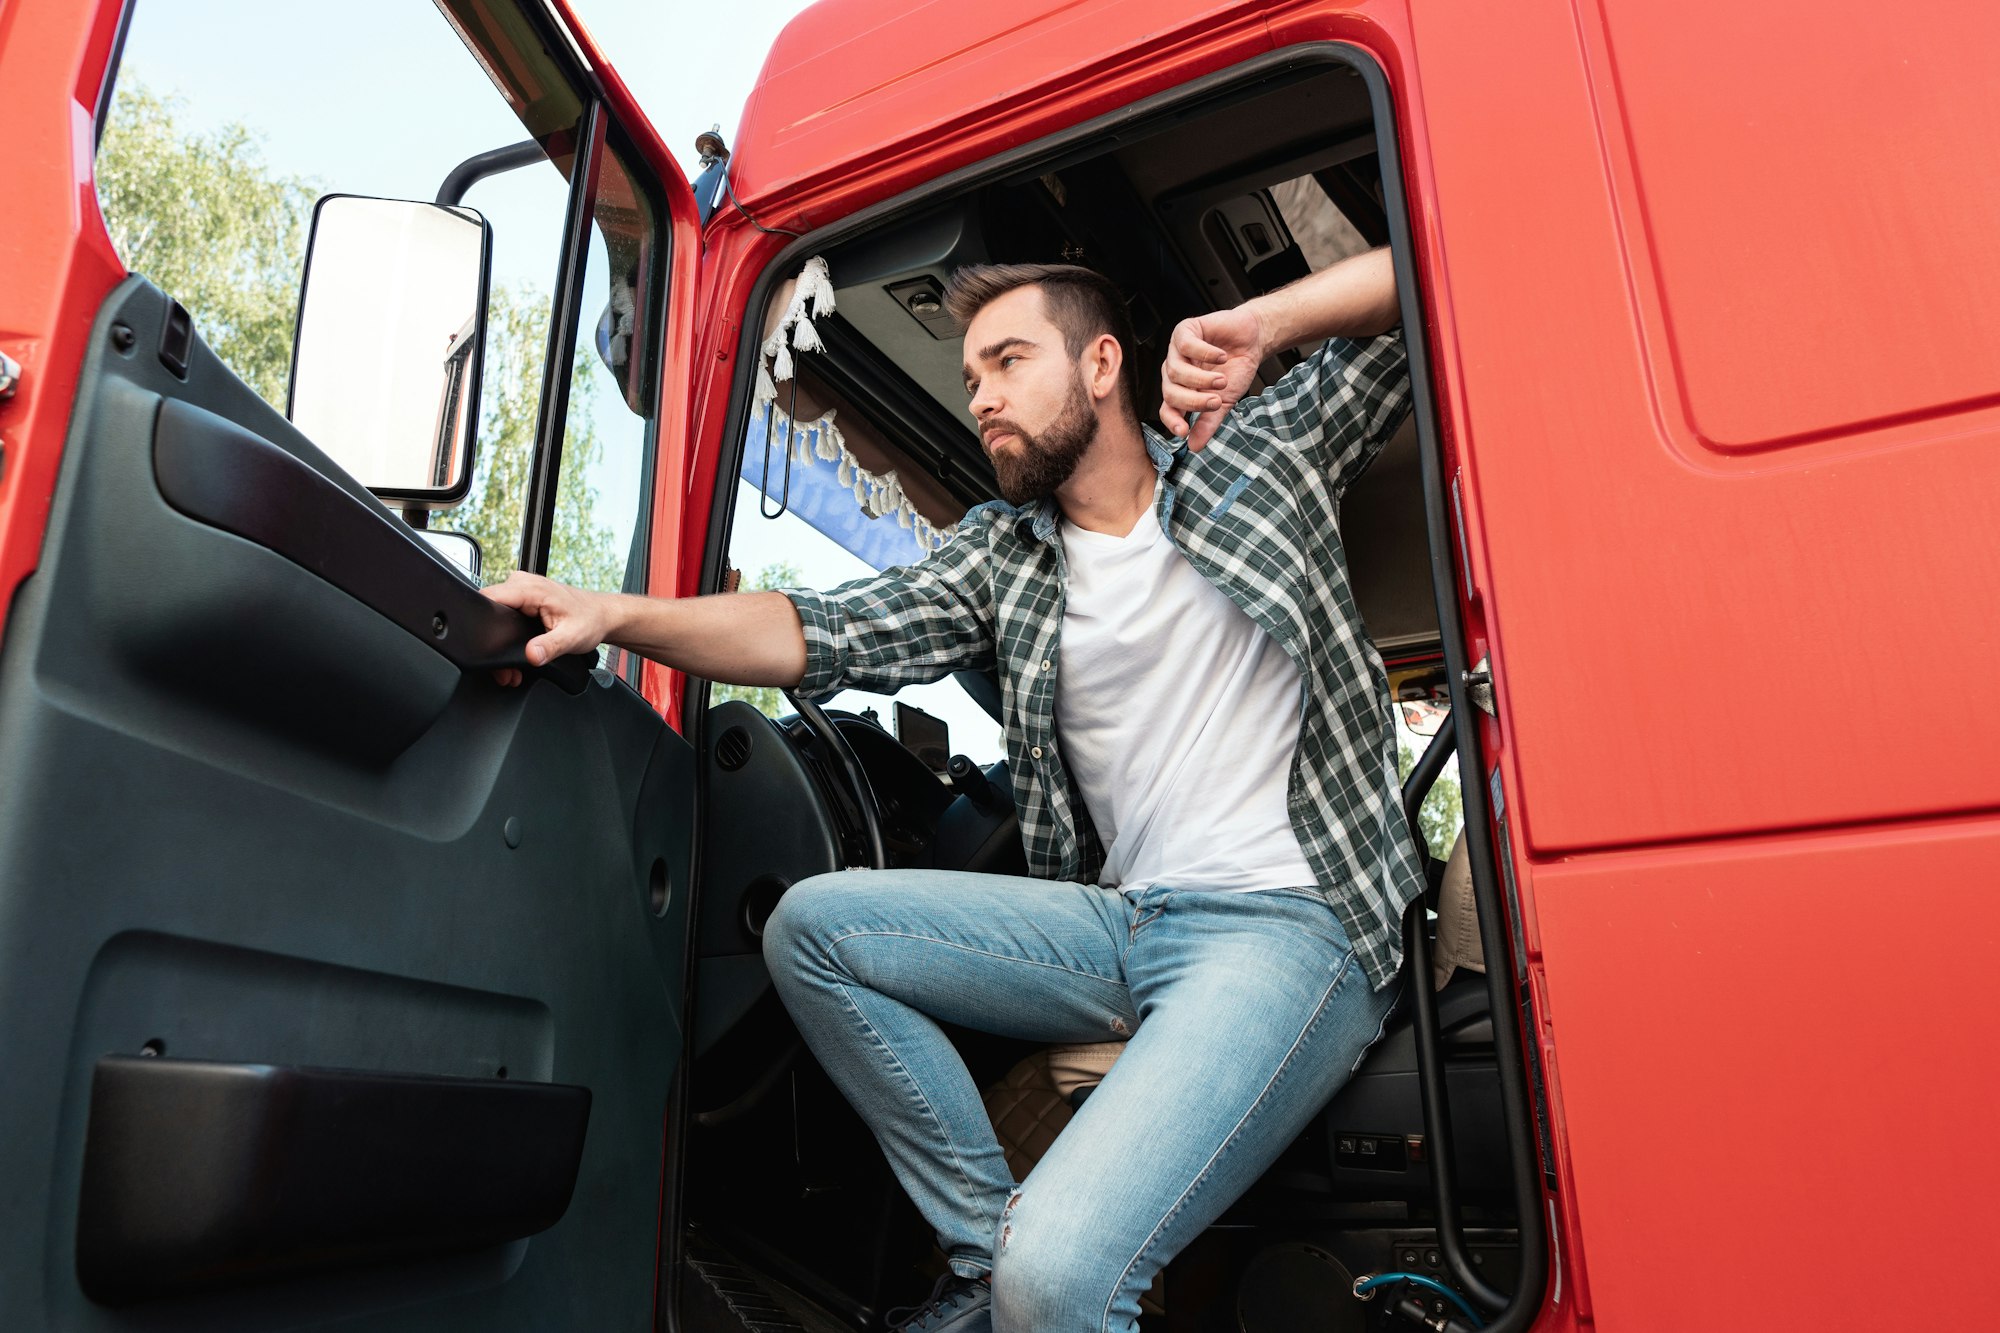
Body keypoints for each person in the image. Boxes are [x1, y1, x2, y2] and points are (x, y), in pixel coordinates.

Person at [485, 247, 1425, 1333]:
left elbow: (1431, 256)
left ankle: (1021, 1280)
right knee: (813, 929)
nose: (978, 394)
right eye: (970, 372)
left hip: (1288, 925)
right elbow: (817, 632)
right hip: (1125, 923)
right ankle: (986, 1252)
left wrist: (1261, 323)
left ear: (1102, 364)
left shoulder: (1259, 456)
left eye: (1008, 361)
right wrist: (615, 614)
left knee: (1062, 1280)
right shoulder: (1005, 559)